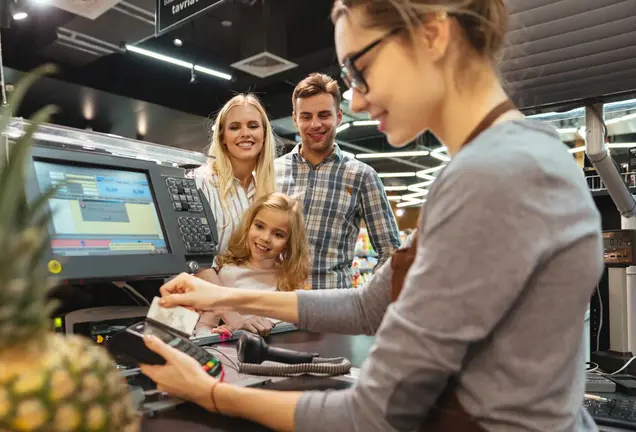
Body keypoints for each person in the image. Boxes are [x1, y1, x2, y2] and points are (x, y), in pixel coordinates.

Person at [138, 1, 603, 431]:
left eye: (359, 69)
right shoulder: (508, 156)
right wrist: (224, 294)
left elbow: (374, 414)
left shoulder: (495, 176)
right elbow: (366, 306)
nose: (355, 101)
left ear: (434, 36)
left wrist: (211, 394)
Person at [275, 72, 400, 290]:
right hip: (274, 307)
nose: (315, 124)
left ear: (339, 117)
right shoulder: (273, 171)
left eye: (324, 115)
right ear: (295, 119)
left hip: (333, 310)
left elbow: (390, 251)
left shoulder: (362, 176)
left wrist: (366, 299)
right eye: (306, 116)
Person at [193, 192, 311, 337]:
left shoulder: (292, 278)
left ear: (289, 243)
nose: (265, 238)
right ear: (249, 226)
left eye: (278, 234)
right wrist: (223, 335)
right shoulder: (227, 274)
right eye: (260, 226)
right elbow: (204, 329)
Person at [191, 93, 277, 256]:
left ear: (264, 135)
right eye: (235, 127)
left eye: (253, 126)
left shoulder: (267, 191)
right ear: (222, 136)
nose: (245, 133)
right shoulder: (200, 182)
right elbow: (195, 261)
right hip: (204, 281)